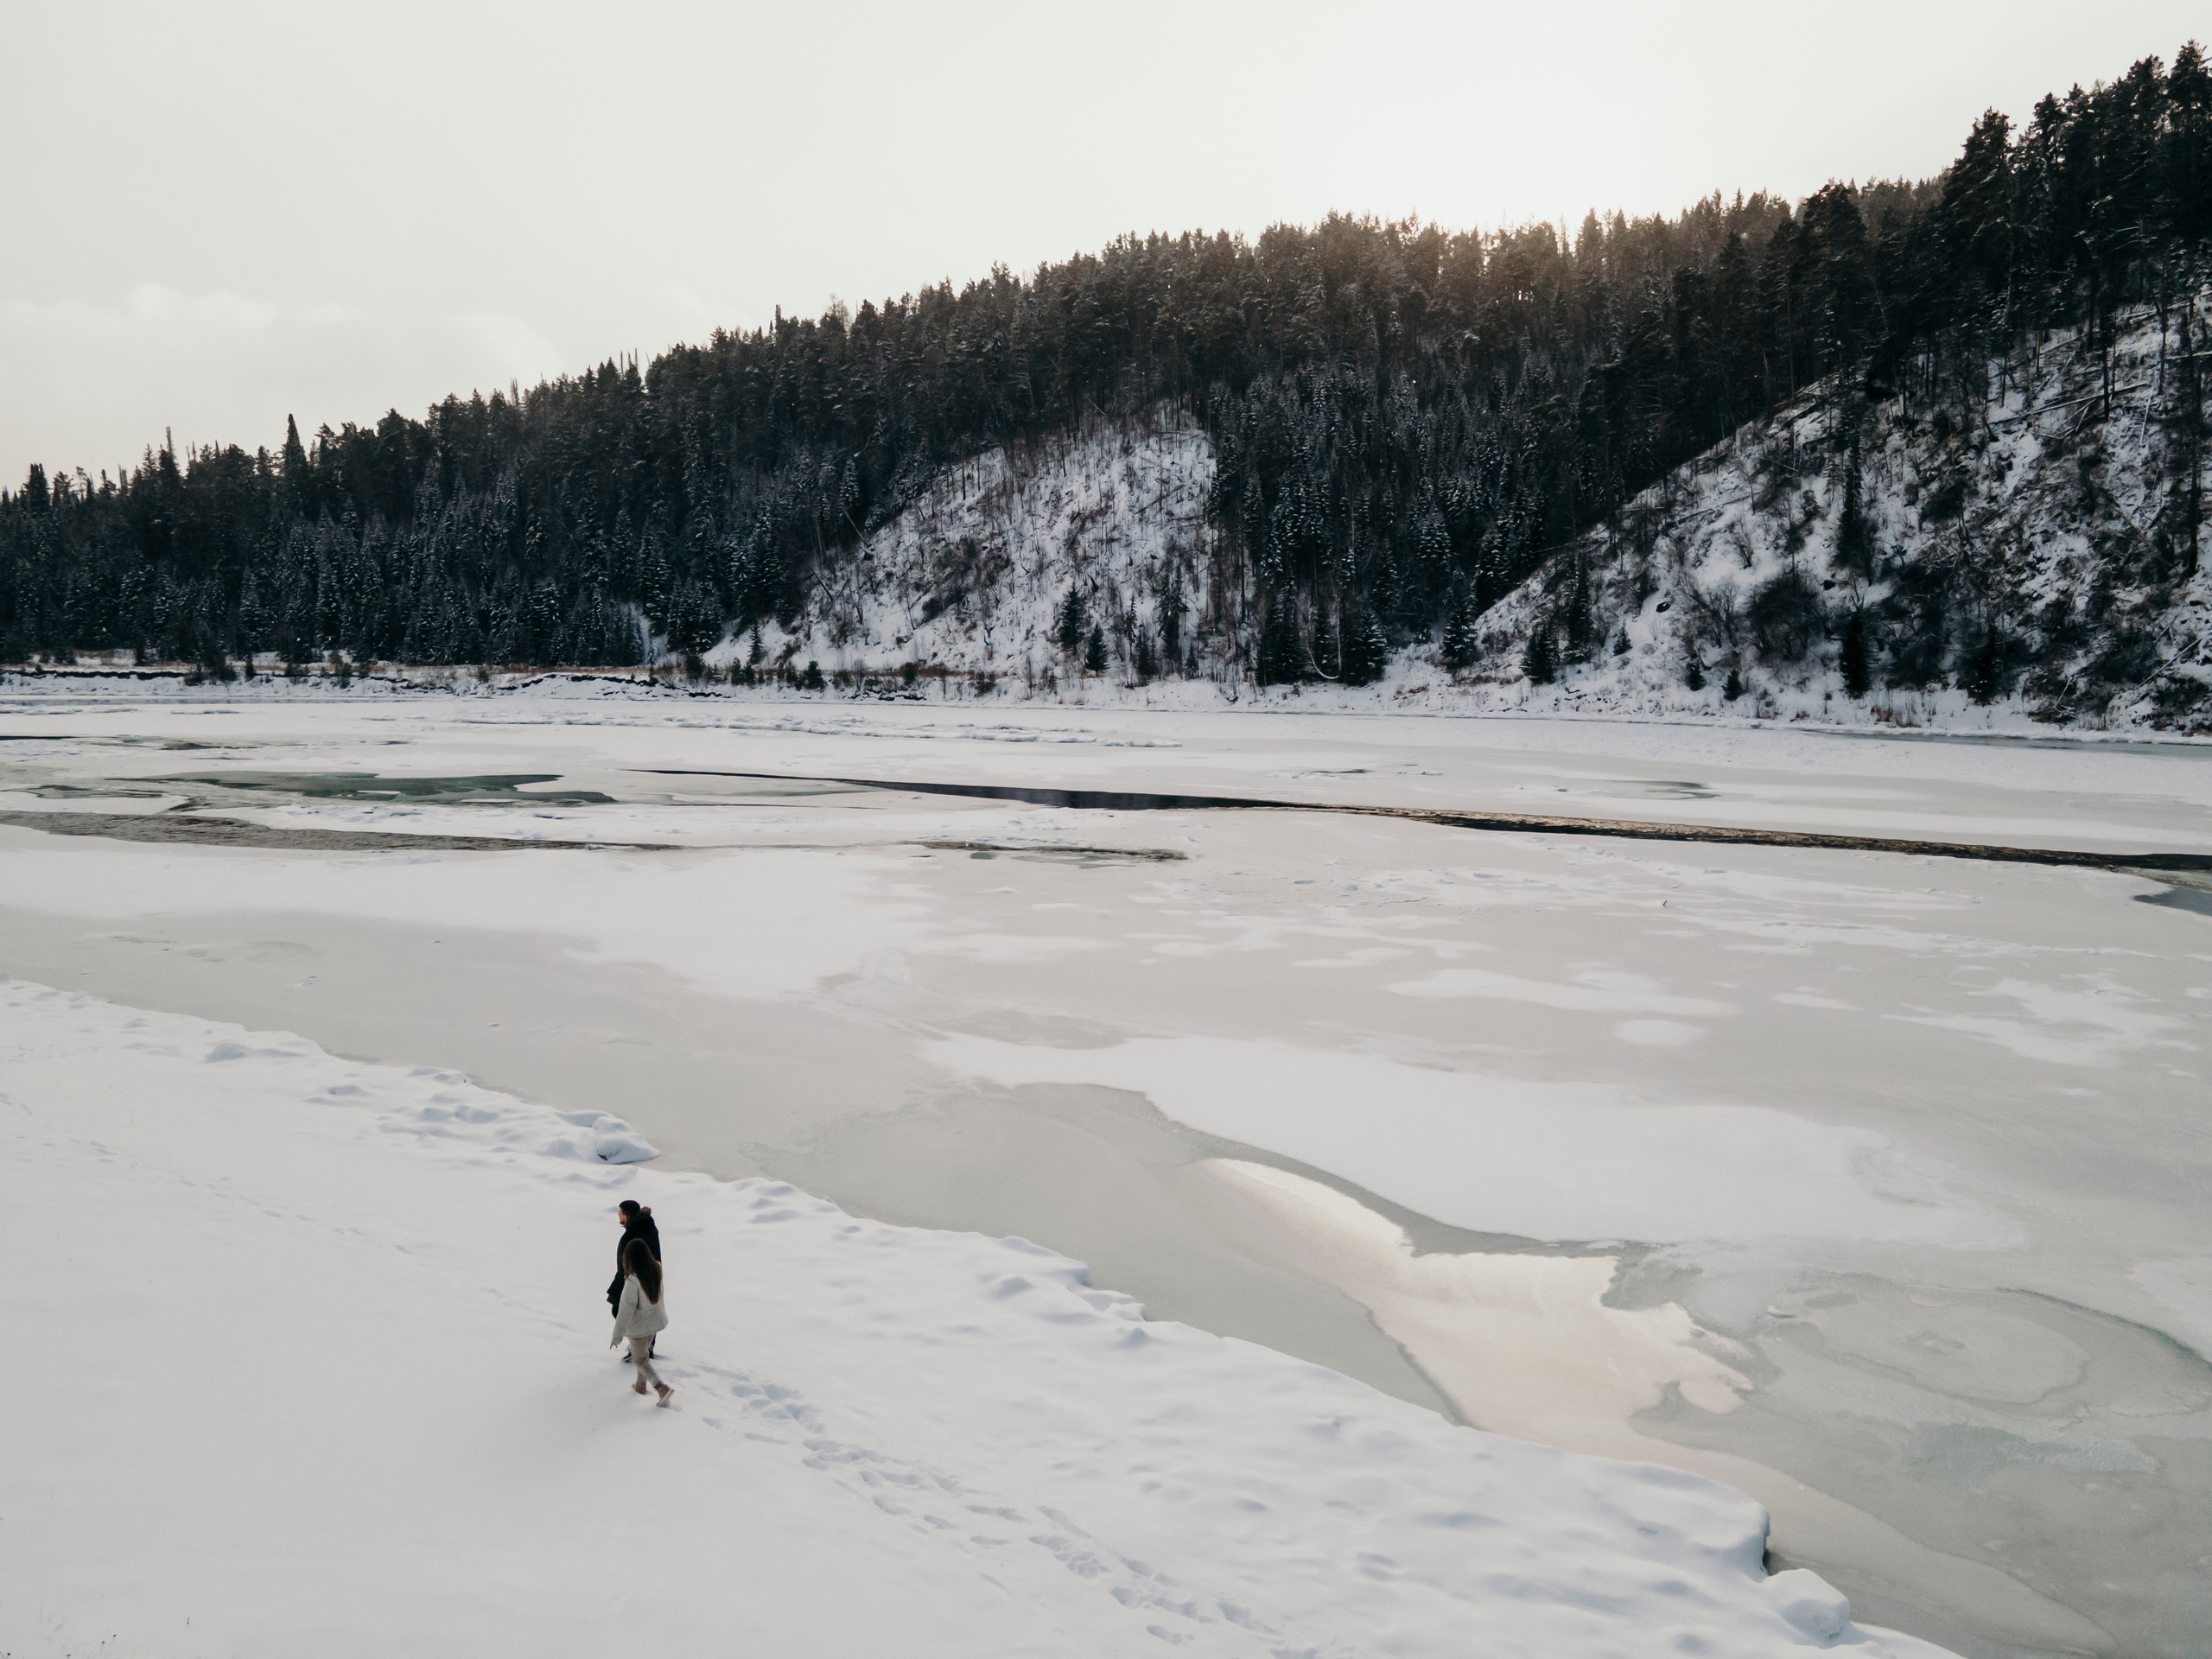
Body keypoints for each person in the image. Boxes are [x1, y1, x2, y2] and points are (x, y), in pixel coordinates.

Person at [609, 1235, 671, 1405]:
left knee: (640, 1361)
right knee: (643, 1356)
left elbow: (625, 1311)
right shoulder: (656, 1268)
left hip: (639, 1330)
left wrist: (617, 1336)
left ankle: (662, 1388)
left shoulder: (632, 1280)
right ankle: (640, 1386)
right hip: (654, 1325)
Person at [608, 1200, 662, 1358]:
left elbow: (624, 1264)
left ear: (626, 1215)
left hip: (634, 1279)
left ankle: (639, 1346)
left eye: (620, 1212)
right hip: (653, 1277)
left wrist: (620, 1284)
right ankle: (647, 1345)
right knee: (647, 1312)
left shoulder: (631, 1235)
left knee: (622, 1310)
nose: (618, 1215)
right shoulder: (649, 1227)